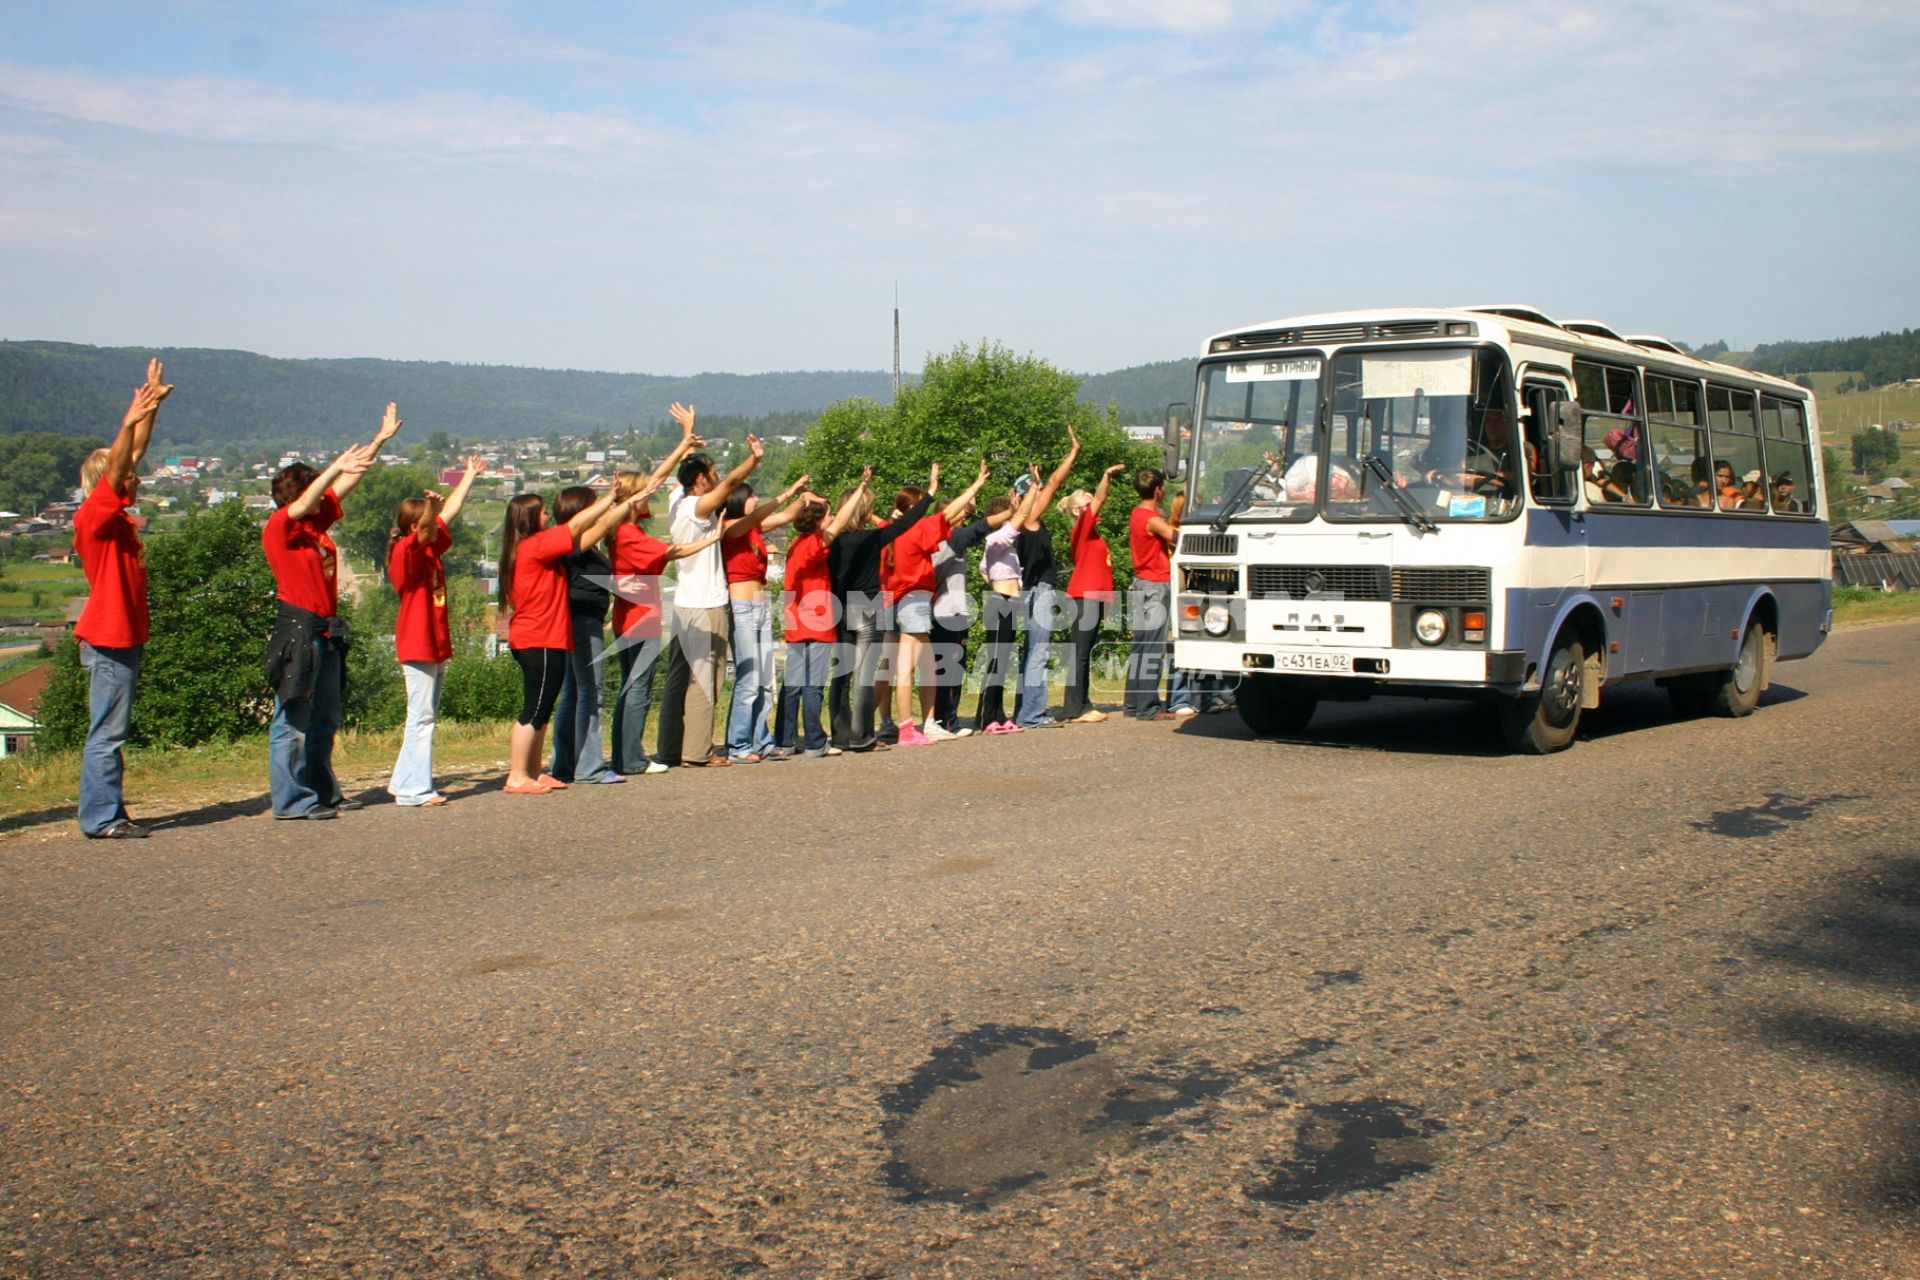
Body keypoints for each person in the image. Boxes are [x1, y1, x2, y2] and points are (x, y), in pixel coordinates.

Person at [261, 403, 401, 820]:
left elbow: (349, 482)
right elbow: (306, 502)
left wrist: (378, 441)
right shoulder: (281, 526)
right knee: (294, 719)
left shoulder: (315, 525)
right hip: (298, 628)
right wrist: (332, 468)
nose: (323, 496)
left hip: (325, 629)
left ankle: (321, 790)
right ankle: (290, 800)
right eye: (315, 488)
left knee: (326, 718)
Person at [71, 359, 171, 839]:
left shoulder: (118, 519)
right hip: (109, 638)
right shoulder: (95, 516)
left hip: (123, 636)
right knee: (107, 733)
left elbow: (134, 455)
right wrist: (128, 420)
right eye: (130, 475)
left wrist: (150, 410)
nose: (137, 478)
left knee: (113, 730)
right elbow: (119, 465)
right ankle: (101, 818)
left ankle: (108, 811)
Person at [499, 481, 646, 794]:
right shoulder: (536, 545)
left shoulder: (538, 546)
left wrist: (620, 504)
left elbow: (594, 528)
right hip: (535, 638)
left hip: (548, 637)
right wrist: (609, 497)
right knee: (533, 709)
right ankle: (516, 775)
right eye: (541, 513)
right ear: (528, 518)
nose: (547, 518)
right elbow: (579, 523)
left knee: (544, 708)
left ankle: (534, 772)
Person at [608, 429, 725, 776]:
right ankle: (630, 758)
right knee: (638, 692)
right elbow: (673, 551)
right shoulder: (629, 535)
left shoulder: (626, 526)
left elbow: (659, 479)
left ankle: (624, 756)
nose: (650, 495)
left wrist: (684, 444)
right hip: (639, 621)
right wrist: (712, 539)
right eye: (642, 493)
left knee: (634, 689)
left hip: (631, 619)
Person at [656, 419, 763, 768]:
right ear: (701, 480)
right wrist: (754, 459)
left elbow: (670, 476)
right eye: (711, 473)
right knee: (707, 678)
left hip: (684, 604)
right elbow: (732, 483)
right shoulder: (698, 507)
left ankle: (670, 748)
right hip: (707, 604)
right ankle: (697, 752)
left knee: (677, 679)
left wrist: (686, 441)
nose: (716, 477)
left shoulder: (674, 501)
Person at [385, 453, 484, 807]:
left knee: (424, 715)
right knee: (421, 717)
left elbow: (447, 514)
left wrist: (468, 477)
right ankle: (414, 790)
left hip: (434, 641)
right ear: (414, 527)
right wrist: (429, 504)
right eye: (425, 520)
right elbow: (431, 522)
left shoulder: (428, 549)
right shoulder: (405, 551)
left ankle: (402, 781)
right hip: (417, 642)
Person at [887, 459, 993, 746]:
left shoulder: (893, 530)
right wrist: (975, 485)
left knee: (922, 667)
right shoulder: (915, 530)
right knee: (910, 667)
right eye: (920, 506)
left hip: (901, 600)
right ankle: (910, 727)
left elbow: (950, 514)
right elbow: (949, 513)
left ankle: (918, 722)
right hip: (915, 600)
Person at [826, 472, 933, 752]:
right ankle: (862, 736)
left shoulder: (831, 542)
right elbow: (907, 524)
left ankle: (840, 735)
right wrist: (930, 494)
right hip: (867, 607)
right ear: (863, 511)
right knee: (864, 674)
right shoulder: (871, 539)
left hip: (838, 607)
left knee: (841, 675)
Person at [720, 475, 811, 762]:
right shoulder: (730, 527)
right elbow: (766, 513)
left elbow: (785, 517)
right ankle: (738, 744)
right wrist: (785, 493)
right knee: (748, 679)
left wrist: (802, 497)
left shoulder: (754, 529)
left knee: (764, 679)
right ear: (737, 500)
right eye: (751, 496)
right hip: (742, 605)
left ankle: (761, 740)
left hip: (760, 606)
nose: (755, 500)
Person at [776, 484, 867, 757]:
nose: (831, 519)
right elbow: (841, 521)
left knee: (792, 684)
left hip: (796, 622)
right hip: (817, 622)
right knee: (813, 684)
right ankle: (815, 741)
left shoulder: (795, 544)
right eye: (826, 515)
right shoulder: (815, 544)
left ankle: (785, 740)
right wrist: (861, 491)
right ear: (817, 520)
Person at [547, 486, 620, 786]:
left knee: (574, 692)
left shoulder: (582, 545)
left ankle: (564, 764)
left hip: (582, 619)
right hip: (582, 621)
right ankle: (589, 767)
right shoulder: (574, 542)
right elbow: (605, 522)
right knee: (591, 692)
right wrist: (617, 499)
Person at [1012, 427, 1082, 728]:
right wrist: (1073, 453)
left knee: (1032, 651)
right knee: (1038, 652)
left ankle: (1027, 712)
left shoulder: (1022, 522)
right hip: (1037, 590)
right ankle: (1032, 715)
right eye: (1034, 490)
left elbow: (1051, 484)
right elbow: (1055, 482)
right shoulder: (1026, 520)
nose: (1040, 493)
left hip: (1032, 589)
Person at [1061, 463, 1128, 723]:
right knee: (1079, 652)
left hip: (1093, 598)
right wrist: (1105, 476)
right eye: (1087, 504)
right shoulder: (1082, 528)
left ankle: (1081, 703)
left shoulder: (1091, 532)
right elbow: (1101, 497)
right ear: (1079, 510)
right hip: (1084, 597)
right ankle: (1076, 708)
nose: (1094, 507)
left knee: (1083, 652)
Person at [972, 485, 1034, 734]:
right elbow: (1019, 520)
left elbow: (982, 568)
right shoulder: (995, 539)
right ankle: (987, 717)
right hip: (999, 602)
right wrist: (1032, 493)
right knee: (996, 660)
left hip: (1009, 601)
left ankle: (997, 713)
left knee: (1004, 660)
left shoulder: (1003, 546)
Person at [1124, 467, 1179, 720]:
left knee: (1140, 646)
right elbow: (1174, 536)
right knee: (1154, 647)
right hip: (1156, 583)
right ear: (1158, 491)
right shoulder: (1151, 518)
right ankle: (1148, 707)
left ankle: (1132, 704)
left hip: (1140, 582)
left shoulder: (1135, 513)